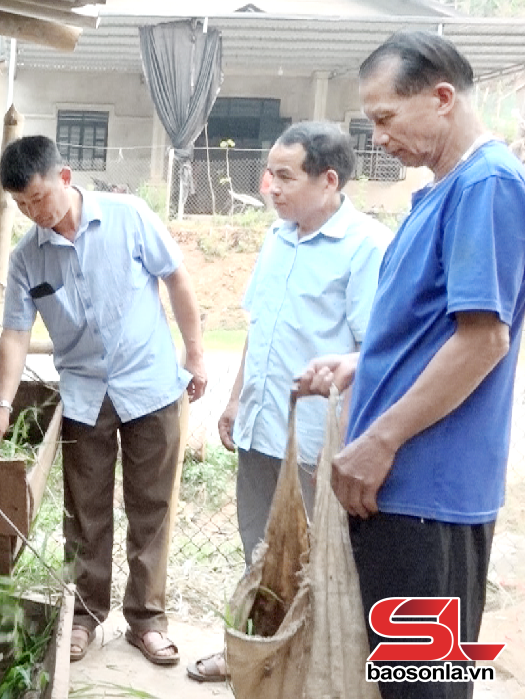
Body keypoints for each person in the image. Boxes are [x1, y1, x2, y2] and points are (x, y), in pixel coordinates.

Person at [296, 31, 525, 699]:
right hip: (402, 490)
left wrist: (380, 439)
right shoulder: (445, 190)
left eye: (385, 117)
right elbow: (434, 329)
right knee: (401, 679)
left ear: (442, 98)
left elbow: (483, 340)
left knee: (422, 685)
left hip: (427, 489)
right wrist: (362, 363)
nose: (378, 137)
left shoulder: (485, 186)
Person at [0, 135, 207, 666]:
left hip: (150, 384)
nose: (33, 213)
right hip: (84, 395)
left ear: (64, 177)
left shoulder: (130, 216)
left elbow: (176, 279)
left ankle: (147, 621)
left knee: (152, 508)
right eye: (21, 205)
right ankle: (82, 616)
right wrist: (2, 403)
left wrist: (195, 354)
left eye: (38, 198)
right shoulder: (26, 258)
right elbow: (15, 333)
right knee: (85, 512)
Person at [187, 121, 393, 684]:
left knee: (319, 558)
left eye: (284, 176)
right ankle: (253, 653)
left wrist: (354, 442)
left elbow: (372, 352)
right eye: (269, 175)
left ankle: (311, 669)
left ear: (329, 181)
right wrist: (236, 400)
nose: (270, 188)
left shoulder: (366, 247)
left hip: (319, 440)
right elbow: (259, 327)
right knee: (260, 548)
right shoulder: (277, 238)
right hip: (261, 427)